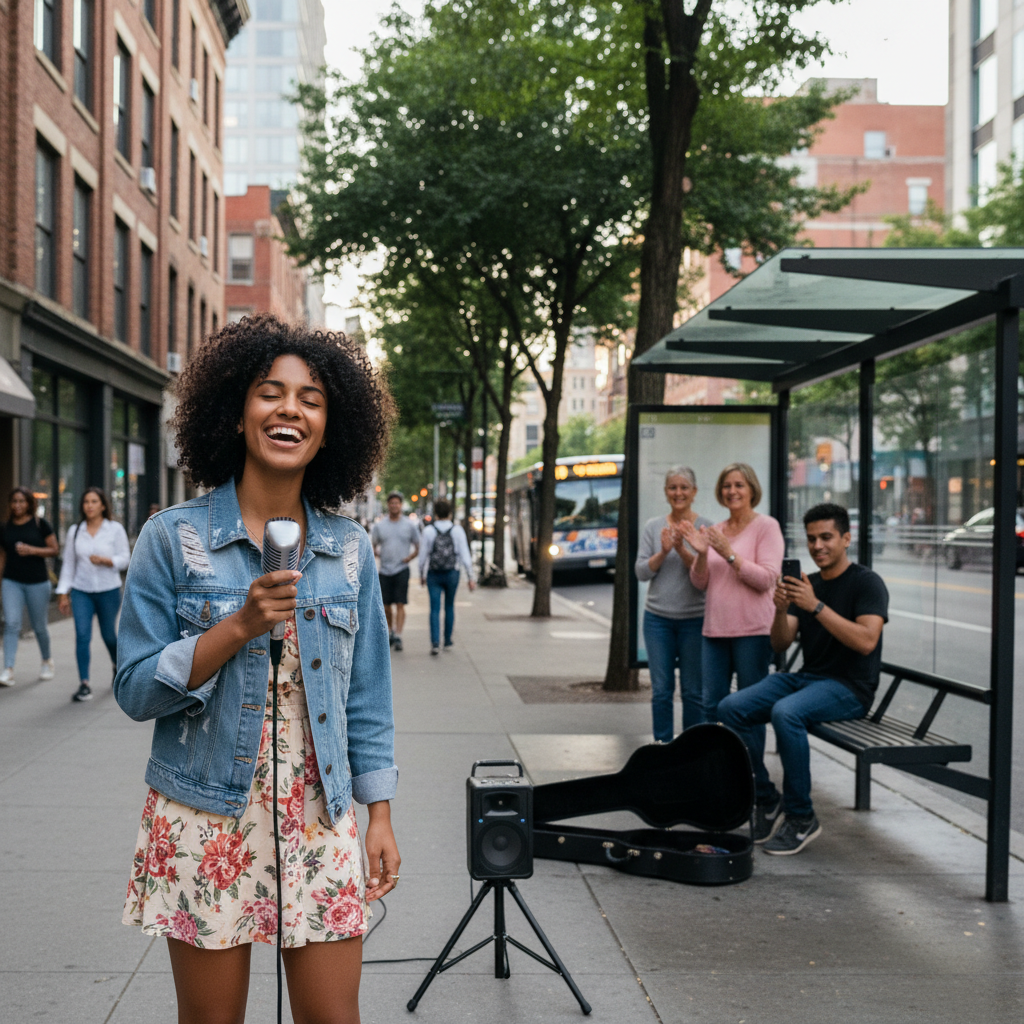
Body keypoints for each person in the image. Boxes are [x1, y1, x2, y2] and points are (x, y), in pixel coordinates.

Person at [115, 314, 400, 1024]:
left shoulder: (351, 551)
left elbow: (367, 695)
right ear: (237, 414)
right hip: (203, 810)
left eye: (310, 399)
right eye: (270, 393)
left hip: (321, 811)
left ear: (330, 430)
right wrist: (238, 626)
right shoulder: (170, 538)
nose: (289, 410)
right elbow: (135, 688)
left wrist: (380, 814)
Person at [717, 503, 888, 855]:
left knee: (786, 713)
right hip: (808, 679)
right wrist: (781, 608)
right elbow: (780, 642)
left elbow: (866, 641)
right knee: (730, 706)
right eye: (811, 539)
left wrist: (815, 607)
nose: (818, 546)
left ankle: (801, 817)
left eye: (826, 537)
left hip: (849, 688)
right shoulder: (805, 584)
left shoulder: (867, 583)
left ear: (846, 538)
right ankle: (765, 798)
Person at [681, 462, 784, 742]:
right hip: (715, 632)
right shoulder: (715, 530)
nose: (732, 491)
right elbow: (700, 583)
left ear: (752, 490)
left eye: (739, 485)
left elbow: (766, 579)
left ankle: (754, 779)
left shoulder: (767, 527)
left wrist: (729, 554)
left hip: (752, 632)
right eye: (727, 486)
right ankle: (716, 777)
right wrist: (701, 555)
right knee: (711, 707)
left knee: (748, 710)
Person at [634, 467, 712, 741]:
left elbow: (707, 576)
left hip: (694, 620)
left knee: (693, 692)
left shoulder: (706, 527)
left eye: (684, 487)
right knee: (662, 690)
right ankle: (662, 747)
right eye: (672, 488)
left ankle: (691, 754)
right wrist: (664, 551)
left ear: (694, 492)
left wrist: (682, 550)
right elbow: (641, 572)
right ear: (666, 492)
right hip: (658, 621)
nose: (678, 493)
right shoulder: (654, 527)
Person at [55, 488, 130, 702]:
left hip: (108, 590)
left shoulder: (114, 529)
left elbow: (125, 558)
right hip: (81, 591)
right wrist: (62, 593)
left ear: (103, 505)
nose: (89, 505)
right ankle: (84, 684)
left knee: (108, 634)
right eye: (86, 501)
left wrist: (108, 561)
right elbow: (69, 564)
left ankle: (118, 666)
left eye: (94, 501)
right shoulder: (75, 530)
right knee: (82, 635)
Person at [0, 487, 59, 686]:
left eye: (21, 501)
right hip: (11, 581)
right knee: (11, 623)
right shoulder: (5, 527)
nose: (17, 505)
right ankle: (8, 669)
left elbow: (54, 549)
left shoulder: (40, 524)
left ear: (29, 503)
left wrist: (31, 550)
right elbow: (3, 556)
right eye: (14, 501)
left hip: (37, 582)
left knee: (39, 626)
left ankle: (46, 661)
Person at [419, 498, 475, 655]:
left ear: (435, 513)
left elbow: (423, 555)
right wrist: (471, 577)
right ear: (450, 512)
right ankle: (448, 640)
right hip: (452, 573)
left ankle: (435, 642)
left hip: (433, 574)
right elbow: (465, 555)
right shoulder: (457, 530)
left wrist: (421, 574)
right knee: (449, 606)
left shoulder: (429, 531)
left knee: (434, 608)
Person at [371, 491, 419, 652]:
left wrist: (410, 557)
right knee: (385, 606)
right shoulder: (380, 526)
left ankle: (398, 634)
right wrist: (377, 554)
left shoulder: (409, 525)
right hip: (384, 570)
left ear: (401, 505)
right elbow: (373, 545)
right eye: (391, 503)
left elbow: (418, 546)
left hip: (401, 570)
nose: (394, 505)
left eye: (397, 503)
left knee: (400, 603)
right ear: (388, 505)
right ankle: (390, 631)